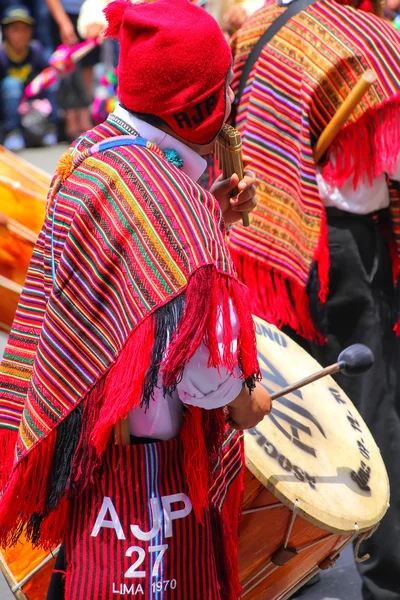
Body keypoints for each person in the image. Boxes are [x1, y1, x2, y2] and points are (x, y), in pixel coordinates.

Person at [0, 1, 271, 598]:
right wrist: (246, 397)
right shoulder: (166, 194)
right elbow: (199, 371)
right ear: (197, 103)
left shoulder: (93, 152)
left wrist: (211, 219)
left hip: (88, 448)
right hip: (149, 465)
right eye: (221, 89)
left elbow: (123, 285)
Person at [229, 1, 400, 598]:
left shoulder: (251, 33)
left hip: (265, 243)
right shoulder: (363, 36)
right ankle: (385, 573)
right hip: (341, 245)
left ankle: (286, 558)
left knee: (288, 404)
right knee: (371, 407)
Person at [0, 6, 57, 151]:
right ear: (6, 32)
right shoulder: (2, 54)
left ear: (31, 32)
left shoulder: (35, 50)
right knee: (12, 84)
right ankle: (12, 132)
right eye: (15, 29)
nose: (20, 34)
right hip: (8, 103)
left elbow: (48, 72)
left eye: (25, 29)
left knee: (52, 81)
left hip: (33, 102)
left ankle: (50, 127)